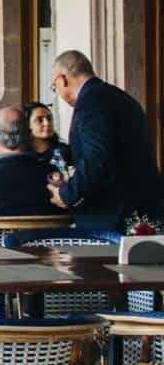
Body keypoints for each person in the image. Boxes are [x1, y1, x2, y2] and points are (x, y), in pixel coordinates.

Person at [46, 50, 163, 230]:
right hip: (144, 207)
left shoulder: (90, 103)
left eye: (55, 88)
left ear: (62, 80)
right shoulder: (122, 98)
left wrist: (68, 194)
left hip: (111, 215)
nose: (59, 94)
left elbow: (96, 158)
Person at [22, 101, 72, 166]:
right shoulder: (21, 154)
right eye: (40, 120)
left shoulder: (66, 152)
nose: (47, 123)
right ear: (27, 124)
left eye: (49, 119)